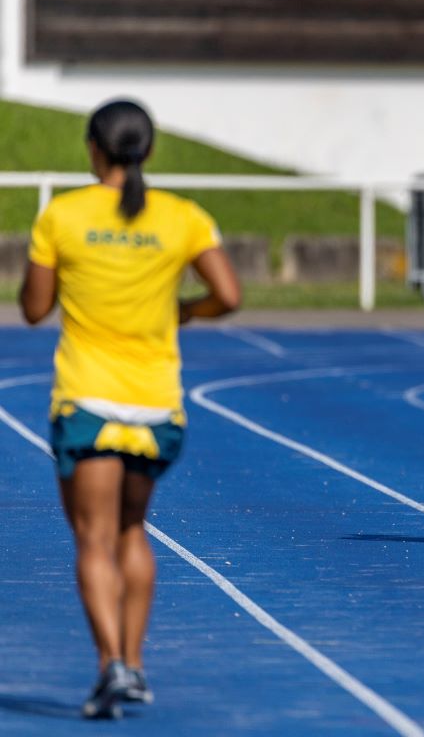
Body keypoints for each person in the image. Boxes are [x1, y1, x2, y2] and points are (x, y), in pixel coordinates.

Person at [20, 100, 241, 719]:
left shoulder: (63, 215)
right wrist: (183, 312)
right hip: (155, 404)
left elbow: (34, 310)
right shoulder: (182, 218)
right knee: (130, 532)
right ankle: (135, 665)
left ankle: (110, 666)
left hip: (87, 399)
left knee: (92, 538)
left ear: (94, 147)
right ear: (147, 149)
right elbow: (228, 294)